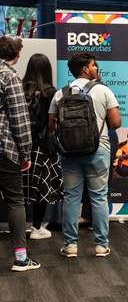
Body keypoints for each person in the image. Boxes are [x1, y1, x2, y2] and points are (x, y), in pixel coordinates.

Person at [49, 52, 121, 258]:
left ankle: (70, 245)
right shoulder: (103, 90)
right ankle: (101, 245)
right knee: (98, 197)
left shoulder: (60, 94)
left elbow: (51, 125)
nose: (96, 69)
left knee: (72, 197)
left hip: (69, 152)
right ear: (84, 70)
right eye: (93, 65)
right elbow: (116, 123)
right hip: (97, 149)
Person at [0, 35, 40, 271]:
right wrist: (26, 153)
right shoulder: (9, 76)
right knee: (15, 202)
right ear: (16, 55)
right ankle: (21, 258)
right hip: (4, 149)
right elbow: (19, 120)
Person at [21, 53, 63, 239]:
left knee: (20, 188)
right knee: (42, 189)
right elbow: (54, 123)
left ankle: (18, 226)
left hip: (22, 146)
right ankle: (37, 228)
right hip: (44, 147)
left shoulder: (21, 89)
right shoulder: (51, 92)